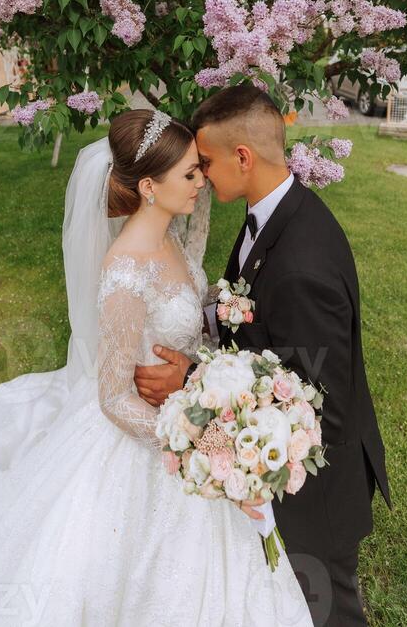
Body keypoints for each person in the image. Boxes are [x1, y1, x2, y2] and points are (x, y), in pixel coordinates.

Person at [0, 108, 312, 626]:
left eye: (200, 169)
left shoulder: (171, 235)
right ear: (149, 186)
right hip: (150, 434)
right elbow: (112, 398)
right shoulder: (126, 270)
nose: (202, 182)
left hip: (188, 407)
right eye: (190, 174)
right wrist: (196, 441)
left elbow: (187, 309)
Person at [135, 85, 391, 627]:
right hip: (282, 476)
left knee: (327, 609)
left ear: (242, 158)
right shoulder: (272, 214)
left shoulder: (302, 264)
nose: (200, 176)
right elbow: (256, 318)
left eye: (204, 163)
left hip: (313, 493)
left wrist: (197, 379)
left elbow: (318, 400)